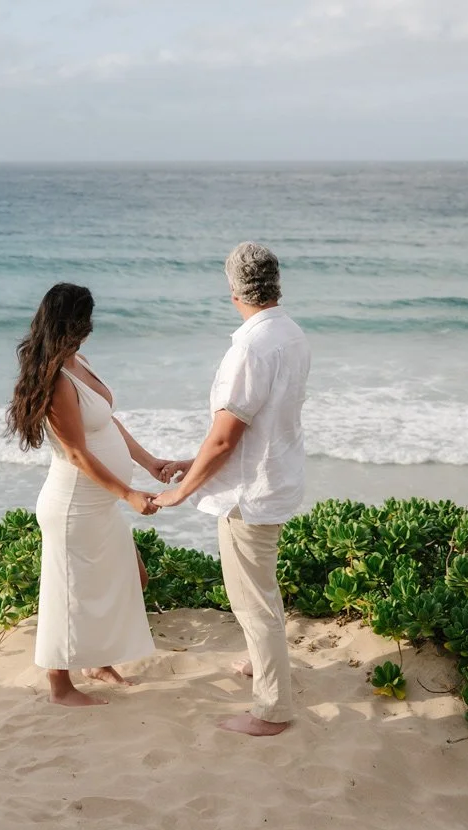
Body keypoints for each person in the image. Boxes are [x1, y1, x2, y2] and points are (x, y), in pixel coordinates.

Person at [155, 242, 310, 736]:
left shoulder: (249, 346)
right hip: (275, 477)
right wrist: (192, 464)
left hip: (250, 491)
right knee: (261, 586)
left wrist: (180, 493)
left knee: (252, 599)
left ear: (233, 289)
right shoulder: (290, 333)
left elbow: (225, 438)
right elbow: (251, 429)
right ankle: (258, 663)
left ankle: (271, 709)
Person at [6, 282, 169, 707]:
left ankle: (96, 661)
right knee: (68, 593)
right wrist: (129, 492)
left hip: (97, 504)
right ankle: (60, 686)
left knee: (131, 576)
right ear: (71, 322)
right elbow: (77, 453)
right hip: (73, 505)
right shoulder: (56, 380)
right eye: (85, 319)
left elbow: (108, 424)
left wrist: (149, 461)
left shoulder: (79, 362)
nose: (90, 328)